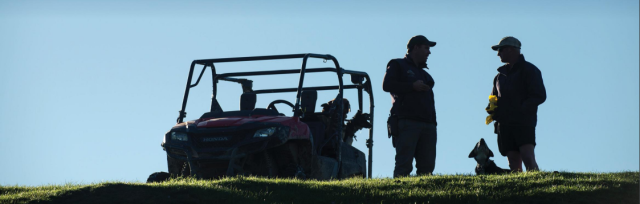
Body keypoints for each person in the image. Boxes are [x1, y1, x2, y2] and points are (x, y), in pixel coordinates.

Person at [488, 36, 546, 172]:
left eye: (500, 50)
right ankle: (520, 189)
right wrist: (492, 110)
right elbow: (493, 98)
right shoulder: (499, 76)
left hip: (523, 122)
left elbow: (539, 95)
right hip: (504, 124)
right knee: (512, 160)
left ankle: (537, 187)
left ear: (511, 50)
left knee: (527, 157)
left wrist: (521, 109)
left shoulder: (530, 70)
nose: (498, 54)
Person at [383, 35, 438, 177]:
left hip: (428, 125)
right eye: (426, 48)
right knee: (403, 165)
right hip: (407, 122)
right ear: (416, 48)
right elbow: (387, 85)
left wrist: (433, 124)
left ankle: (424, 198)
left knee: (427, 169)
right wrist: (411, 86)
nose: (429, 52)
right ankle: (399, 197)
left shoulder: (426, 76)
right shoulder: (397, 64)